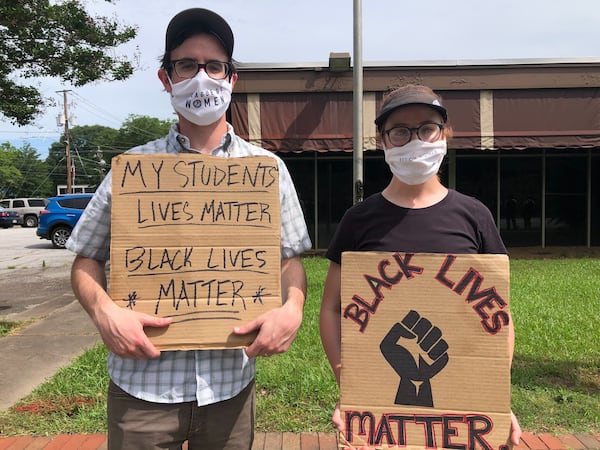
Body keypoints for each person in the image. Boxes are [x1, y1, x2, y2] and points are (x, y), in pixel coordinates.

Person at [67, 8, 311, 450]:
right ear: (167, 78)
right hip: (141, 388)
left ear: (231, 78)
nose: (202, 77)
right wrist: (105, 313)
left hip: (230, 390)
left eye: (214, 66)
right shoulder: (133, 170)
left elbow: (289, 258)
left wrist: (292, 307)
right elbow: (86, 258)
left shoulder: (266, 170)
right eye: (187, 65)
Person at [319, 84, 522, 449]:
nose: (415, 141)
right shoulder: (358, 220)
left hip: (463, 407)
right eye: (400, 132)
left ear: (445, 134)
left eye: (427, 128)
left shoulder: (474, 217)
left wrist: (495, 395)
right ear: (381, 140)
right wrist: (351, 386)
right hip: (380, 415)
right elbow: (333, 308)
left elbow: (498, 316)